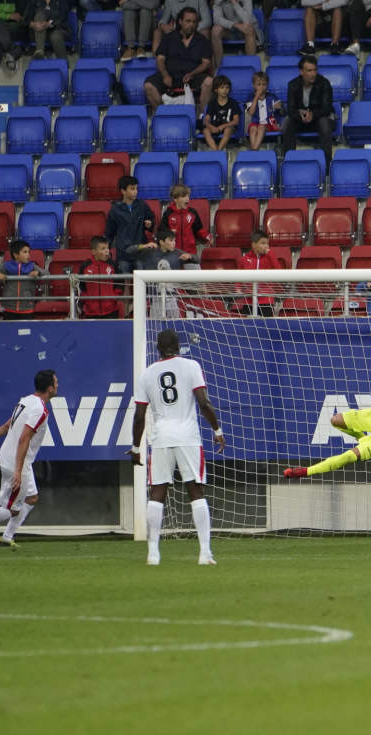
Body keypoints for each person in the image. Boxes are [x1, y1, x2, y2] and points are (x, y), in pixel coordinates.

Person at [127, 330, 224, 565]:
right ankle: (205, 553)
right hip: (188, 436)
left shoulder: (147, 374)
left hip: (161, 436)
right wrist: (217, 430)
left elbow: (139, 416)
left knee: (157, 492)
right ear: (179, 347)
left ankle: (153, 553)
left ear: (158, 349)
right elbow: (203, 402)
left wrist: (136, 447)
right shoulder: (191, 366)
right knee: (195, 491)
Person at [0, 370, 58, 550]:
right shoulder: (40, 410)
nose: (58, 385)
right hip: (17, 462)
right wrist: (18, 471)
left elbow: (9, 424)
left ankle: (7, 537)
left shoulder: (26, 400)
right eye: (56, 382)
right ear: (50, 388)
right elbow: (24, 439)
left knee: (31, 498)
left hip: (11, 458)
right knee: (12, 509)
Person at [144, 5, 213, 113]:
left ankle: (202, 115)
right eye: (188, 21)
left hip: (193, 76)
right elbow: (160, 59)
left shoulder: (202, 40)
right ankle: (163, 115)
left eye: (194, 22)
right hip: (171, 75)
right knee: (148, 85)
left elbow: (206, 63)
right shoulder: (169, 38)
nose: (191, 25)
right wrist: (165, 75)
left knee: (209, 82)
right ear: (180, 21)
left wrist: (192, 74)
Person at [281, 55, 337, 164]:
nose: (313, 74)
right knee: (288, 123)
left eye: (315, 70)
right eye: (309, 70)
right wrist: (300, 114)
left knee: (324, 123)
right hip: (301, 120)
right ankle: (289, 162)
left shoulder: (324, 83)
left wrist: (312, 114)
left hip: (319, 118)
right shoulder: (293, 85)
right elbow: (291, 109)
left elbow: (326, 108)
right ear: (301, 72)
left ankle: (327, 164)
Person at [106, 175, 157, 276]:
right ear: (123, 191)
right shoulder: (115, 209)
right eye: (132, 189)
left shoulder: (142, 205)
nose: (136, 191)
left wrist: (150, 224)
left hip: (141, 252)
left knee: (142, 280)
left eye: (136, 189)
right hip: (123, 253)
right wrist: (107, 248)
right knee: (123, 281)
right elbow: (109, 232)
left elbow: (151, 220)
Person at [0, 240, 49, 318]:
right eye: (25, 252)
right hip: (9, 308)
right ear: (16, 255)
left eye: (29, 252)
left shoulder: (32, 266)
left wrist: (38, 272)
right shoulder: (6, 265)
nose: (28, 255)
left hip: (27, 308)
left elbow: (47, 273)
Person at [78, 237, 122, 319]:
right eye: (103, 249)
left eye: (107, 248)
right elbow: (81, 286)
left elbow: (120, 282)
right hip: (90, 312)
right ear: (94, 252)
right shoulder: (85, 266)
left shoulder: (113, 264)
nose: (107, 251)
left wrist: (114, 297)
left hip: (111, 311)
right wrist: (86, 300)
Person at [240, 230, 282, 314]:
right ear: (254, 245)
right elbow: (239, 277)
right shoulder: (245, 259)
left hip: (266, 301)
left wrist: (270, 255)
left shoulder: (270, 258)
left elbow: (279, 271)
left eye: (267, 243)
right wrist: (238, 288)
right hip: (248, 301)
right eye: (263, 243)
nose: (266, 246)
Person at [161, 186, 211, 256]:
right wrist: (169, 233)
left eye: (188, 196)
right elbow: (162, 232)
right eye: (184, 196)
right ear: (175, 199)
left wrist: (209, 238)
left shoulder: (192, 213)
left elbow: (199, 230)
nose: (187, 199)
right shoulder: (168, 214)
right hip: (173, 253)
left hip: (190, 252)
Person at [210, 0, 257, 67]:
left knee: (249, 28)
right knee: (215, 30)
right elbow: (217, 19)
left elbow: (248, 20)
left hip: (244, 30)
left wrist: (234, 3)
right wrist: (235, 25)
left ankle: (251, 66)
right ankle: (219, 68)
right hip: (229, 30)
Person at [201, 74, 243, 150]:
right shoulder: (212, 103)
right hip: (214, 127)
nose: (225, 90)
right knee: (205, 130)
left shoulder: (233, 103)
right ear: (216, 90)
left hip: (228, 127)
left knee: (228, 130)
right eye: (222, 87)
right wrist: (211, 127)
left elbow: (236, 121)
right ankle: (215, 150)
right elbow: (206, 120)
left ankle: (219, 150)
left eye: (227, 87)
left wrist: (223, 126)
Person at [244, 70, 283, 149]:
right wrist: (256, 97)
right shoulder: (251, 97)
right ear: (254, 85)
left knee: (261, 127)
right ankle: (254, 148)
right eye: (259, 84)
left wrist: (279, 107)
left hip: (269, 124)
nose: (261, 87)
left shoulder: (272, 97)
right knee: (253, 128)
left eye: (264, 84)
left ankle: (254, 149)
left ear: (267, 85)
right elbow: (251, 112)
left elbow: (282, 111)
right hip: (255, 123)